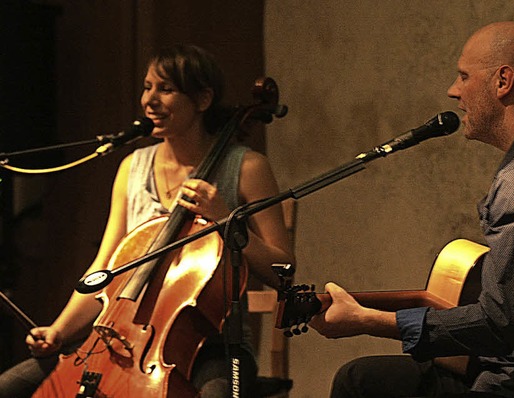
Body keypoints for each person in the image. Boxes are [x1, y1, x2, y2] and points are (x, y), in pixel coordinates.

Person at [309, 21, 514, 397]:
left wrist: (367, 320)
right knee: (370, 378)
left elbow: (499, 324)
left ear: (503, 81)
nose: (453, 91)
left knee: (359, 384)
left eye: (464, 76)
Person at [0, 44, 294, 397]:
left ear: (202, 100)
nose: (148, 100)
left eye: (165, 89)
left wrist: (225, 221)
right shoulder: (132, 168)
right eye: (147, 86)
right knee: (9, 387)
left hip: (213, 348)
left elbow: (284, 270)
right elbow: (105, 269)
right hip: (118, 336)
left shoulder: (246, 168)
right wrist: (59, 332)